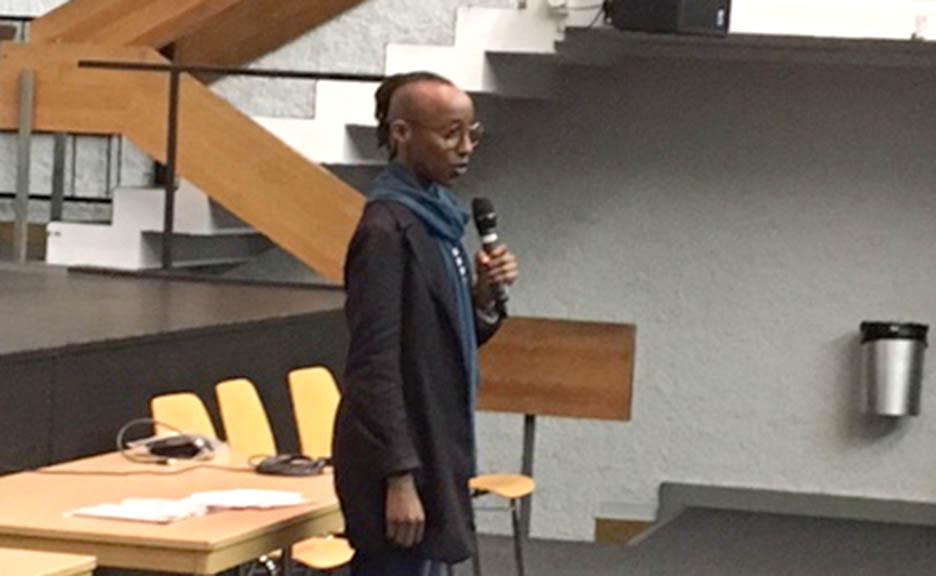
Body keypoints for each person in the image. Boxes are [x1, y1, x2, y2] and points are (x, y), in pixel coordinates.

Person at [332, 71, 519, 576]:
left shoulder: (438, 221)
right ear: (402, 134)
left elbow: (442, 342)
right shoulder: (385, 231)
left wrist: (482, 297)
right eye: (450, 134)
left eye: (471, 133)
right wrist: (398, 477)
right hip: (399, 465)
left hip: (434, 446)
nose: (465, 148)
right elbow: (373, 365)